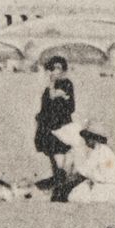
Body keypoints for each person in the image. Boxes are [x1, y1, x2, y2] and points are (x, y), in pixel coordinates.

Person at [52, 123, 115, 203]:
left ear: (95, 138)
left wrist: (66, 187)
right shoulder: (100, 149)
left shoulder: (101, 151)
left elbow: (84, 173)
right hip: (103, 186)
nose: (85, 140)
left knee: (73, 197)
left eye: (88, 138)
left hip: (106, 189)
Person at [34, 56, 76, 185]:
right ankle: (58, 177)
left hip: (61, 124)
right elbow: (45, 106)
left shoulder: (66, 83)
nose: (55, 71)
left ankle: (61, 179)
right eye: (53, 68)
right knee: (52, 152)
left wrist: (51, 83)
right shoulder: (49, 88)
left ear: (63, 69)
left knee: (60, 151)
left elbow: (59, 100)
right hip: (48, 124)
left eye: (59, 68)